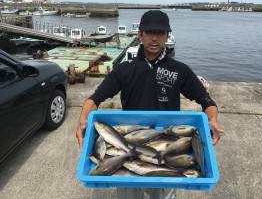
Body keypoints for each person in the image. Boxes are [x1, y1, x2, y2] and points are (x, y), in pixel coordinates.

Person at [76, 10, 223, 149]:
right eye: (149, 32)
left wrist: (212, 120)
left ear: (167, 36)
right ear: (140, 35)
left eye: (160, 33)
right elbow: (95, 99)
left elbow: (206, 101)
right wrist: (83, 118)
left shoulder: (181, 70)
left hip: (167, 139)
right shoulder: (123, 69)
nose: (154, 38)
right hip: (131, 138)